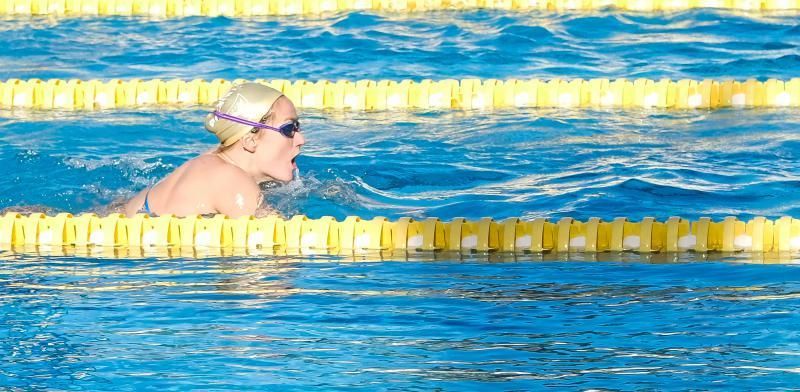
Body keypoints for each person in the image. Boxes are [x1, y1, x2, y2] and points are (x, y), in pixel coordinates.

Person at [123, 83, 305, 218]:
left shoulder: (209, 162)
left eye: (298, 127)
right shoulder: (233, 183)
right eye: (289, 130)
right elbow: (279, 261)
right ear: (250, 141)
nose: (301, 139)